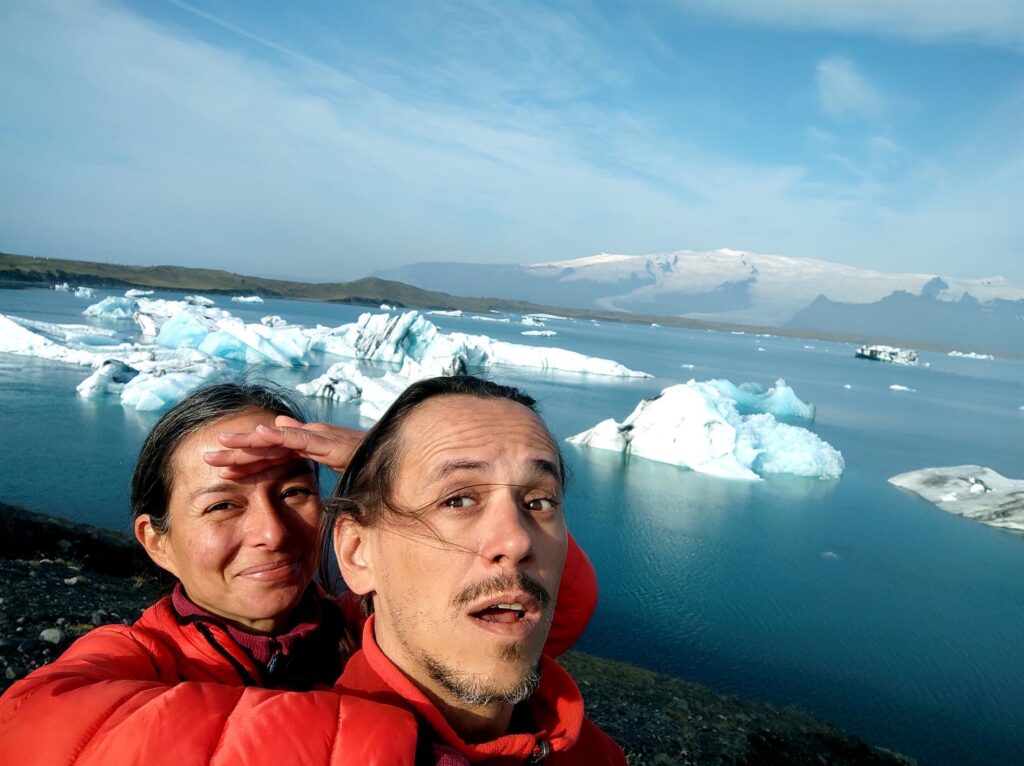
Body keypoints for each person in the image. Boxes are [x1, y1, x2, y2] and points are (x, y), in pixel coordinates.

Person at [0, 380, 601, 764]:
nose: (271, 530)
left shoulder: (359, 620)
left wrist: (394, 468)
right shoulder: (142, 656)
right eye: (222, 505)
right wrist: (395, 749)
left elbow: (551, 603)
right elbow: (31, 725)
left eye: (293, 492)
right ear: (157, 542)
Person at [327, 375, 626, 763]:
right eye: (458, 500)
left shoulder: (597, 756)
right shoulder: (302, 750)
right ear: (357, 552)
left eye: (538, 502)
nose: (516, 541)